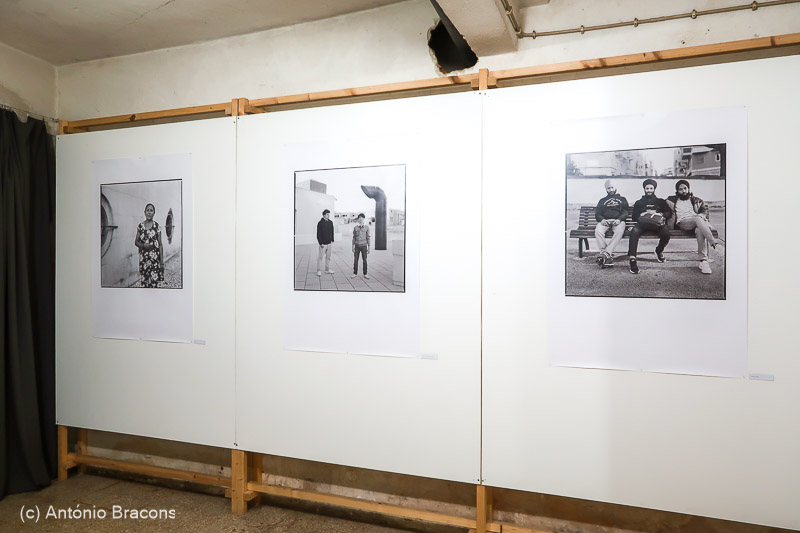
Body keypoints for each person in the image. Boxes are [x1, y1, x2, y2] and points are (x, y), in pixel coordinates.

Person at [666, 180, 720, 275]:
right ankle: (714, 243)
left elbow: (703, 211)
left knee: (699, 230)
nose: (683, 191)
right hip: (683, 222)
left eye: (685, 188)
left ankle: (703, 261)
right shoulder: (671, 200)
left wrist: (702, 216)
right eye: (680, 189)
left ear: (689, 189)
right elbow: (662, 207)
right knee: (698, 219)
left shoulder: (697, 200)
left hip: (697, 223)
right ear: (677, 191)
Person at [627, 179, 673, 274]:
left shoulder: (660, 201)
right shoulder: (639, 202)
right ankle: (632, 259)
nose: (649, 190)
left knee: (666, 233)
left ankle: (659, 251)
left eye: (651, 188)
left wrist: (659, 213)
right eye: (647, 188)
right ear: (644, 189)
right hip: (642, 225)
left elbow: (668, 212)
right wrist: (642, 214)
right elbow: (634, 217)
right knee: (634, 231)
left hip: (657, 225)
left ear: (654, 189)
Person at [593, 179, 629, 268]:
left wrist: (619, 219)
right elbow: (598, 214)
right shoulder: (602, 200)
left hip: (618, 221)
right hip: (605, 221)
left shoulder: (622, 199)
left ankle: (604, 254)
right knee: (598, 230)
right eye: (608, 188)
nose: (611, 190)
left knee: (620, 230)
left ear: (615, 187)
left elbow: (625, 212)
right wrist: (602, 220)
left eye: (612, 187)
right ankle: (606, 255)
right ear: (606, 189)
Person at [134, 203, 164, 288]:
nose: (149, 212)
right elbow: (136, 242)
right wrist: (143, 245)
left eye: (151, 210)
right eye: (147, 210)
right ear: (144, 212)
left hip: (155, 262)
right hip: (144, 261)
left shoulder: (157, 226)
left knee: (155, 284)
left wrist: (161, 262)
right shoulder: (140, 226)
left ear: (154, 212)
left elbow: (160, 245)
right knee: (145, 284)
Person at [351, 213, 371, 279]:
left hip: (364, 246)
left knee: (364, 260)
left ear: (364, 219)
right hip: (357, 246)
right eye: (359, 218)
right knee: (355, 260)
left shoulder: (367, 227)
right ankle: (355, 273)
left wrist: (369, 247)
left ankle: (365, 273)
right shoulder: (355, 227)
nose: (360, 219)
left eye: (362, 218)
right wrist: (352, 246)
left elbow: (368, 237)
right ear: (358, 219)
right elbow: (354, 237)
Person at [316, 209, 335, 276]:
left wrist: (332, 239)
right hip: (323, 244)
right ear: (324, 215)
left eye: (329, 214)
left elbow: (332, 232)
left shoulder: (330, 222)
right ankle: (319, 270)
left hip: (329, 243)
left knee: (328, 257)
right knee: (320, 257)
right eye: (327, 214)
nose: (328, 215)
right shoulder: (320, 223)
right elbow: (318, 234)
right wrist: (320, 243)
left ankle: (327, 270)